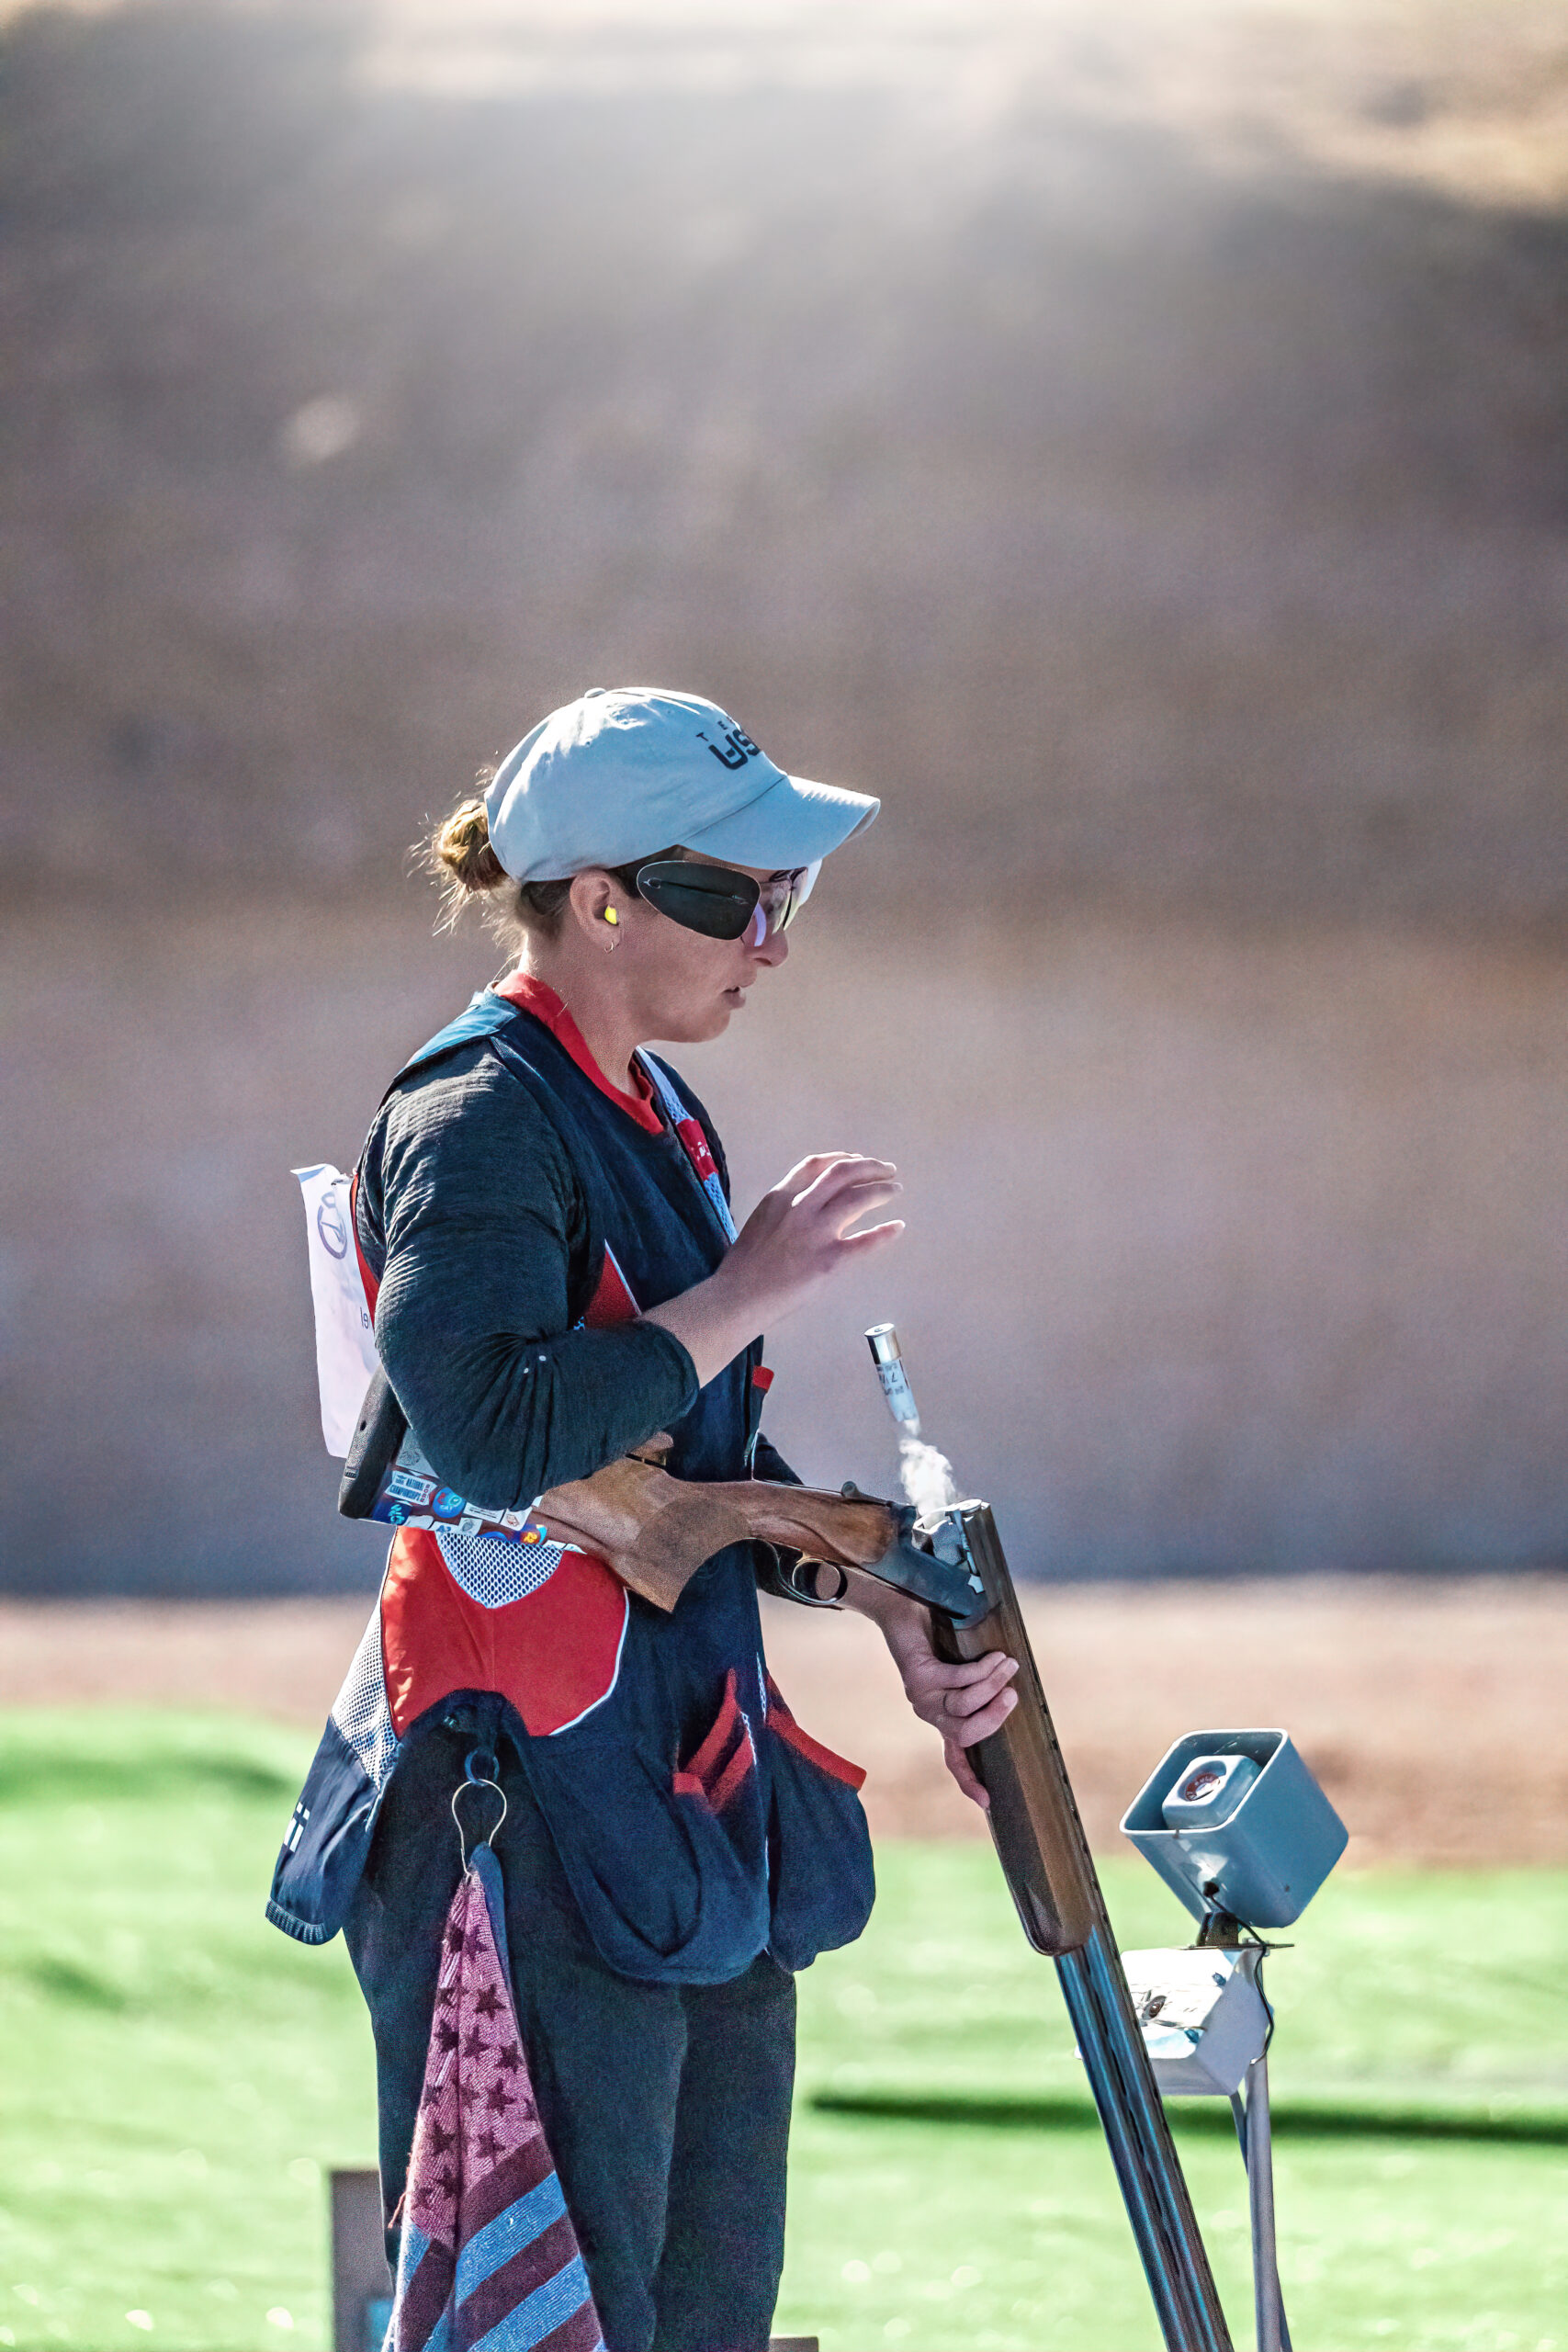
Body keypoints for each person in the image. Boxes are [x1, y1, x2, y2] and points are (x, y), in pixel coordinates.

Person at [268, 687, 1019, 2352]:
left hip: (667, 1805)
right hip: (522, 1811)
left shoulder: (653, 1112)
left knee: (704, 2316)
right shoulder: (475, 1119)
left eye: (787, 900)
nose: (773, 939)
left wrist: (880, 1587)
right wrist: (748, 1284)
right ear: (601, 899)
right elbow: (486, 1431)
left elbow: (659, 1479)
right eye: (740, 898)